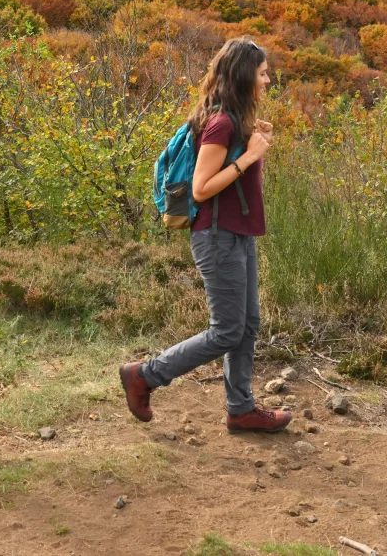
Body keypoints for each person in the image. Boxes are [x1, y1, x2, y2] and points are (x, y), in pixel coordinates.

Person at [120, 38, 290, 432]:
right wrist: (249, 157)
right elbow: (200, 188)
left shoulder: (235, 120)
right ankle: (144, 375)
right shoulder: (222, 122)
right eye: (263, 74)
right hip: (217, 238)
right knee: (227, 329)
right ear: (246, 76)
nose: (267, 81)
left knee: (247, 324)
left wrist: (249, 143)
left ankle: (241, 409)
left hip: (237, 234)